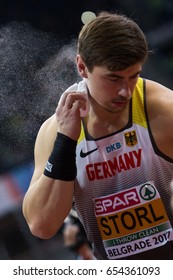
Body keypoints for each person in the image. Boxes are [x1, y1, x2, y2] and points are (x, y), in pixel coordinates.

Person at [22, 11, 173, 260]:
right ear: (82, 67)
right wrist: (66, 141)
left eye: (133, 75)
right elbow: (41, 225)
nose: (125, 91)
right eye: (113, 78)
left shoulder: (164, 110)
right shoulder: (54, 131)